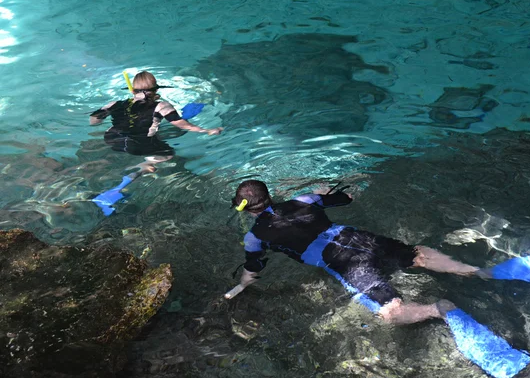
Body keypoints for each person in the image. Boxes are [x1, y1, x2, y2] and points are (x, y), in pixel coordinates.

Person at [229, 179, 485, 325]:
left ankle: (437, 310)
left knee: (390, 311)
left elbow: (253, 268)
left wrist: (243, 282)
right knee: (415, 255)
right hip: (359, 239)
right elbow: (347, 198)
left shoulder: (254, 237)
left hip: (343, 262)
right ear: (270, 195)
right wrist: (322, 190)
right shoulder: (304, 200)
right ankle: (471, 271)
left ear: (246, 210)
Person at [89, 71, 223, 173]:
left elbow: (94, 121)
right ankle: (145, 165)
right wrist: (207, 130)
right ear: (156, 90)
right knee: (168, 153)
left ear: (132, 90)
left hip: (111, 140)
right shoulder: (162, 106)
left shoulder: (116, 103)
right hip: (138, 146)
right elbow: (181, 124)